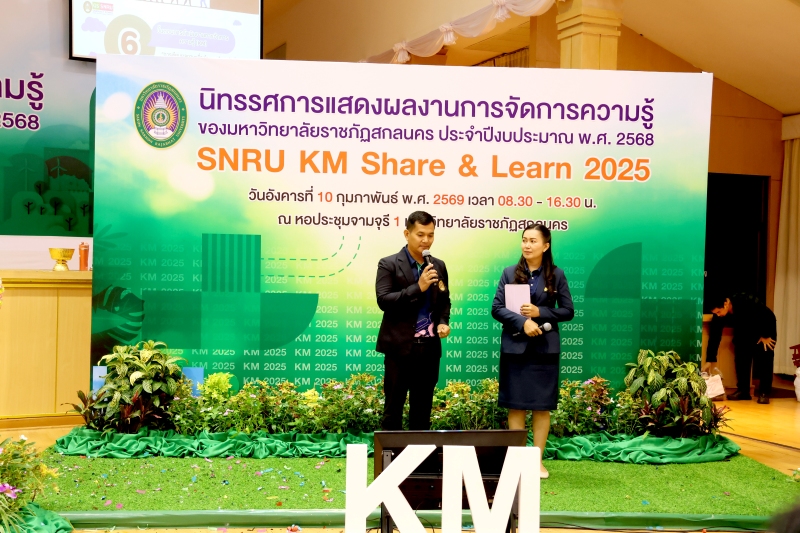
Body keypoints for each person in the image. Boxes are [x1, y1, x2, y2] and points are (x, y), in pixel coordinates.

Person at [491, 223, 574, 479]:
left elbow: (568, 311)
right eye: (524, 240)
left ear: (545, 246)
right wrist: (522, 322)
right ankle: (518, 462)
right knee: (515, 406)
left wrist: (540, 312)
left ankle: (536, 461)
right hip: (515, 348)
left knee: (541, 407)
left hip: (544, 350)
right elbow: (497, 308)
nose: (527, 245)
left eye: (533, 241)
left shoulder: (556, 275)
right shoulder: (509, 272)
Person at [375, 211, 451, 430]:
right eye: (420, 234)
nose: (426, 240)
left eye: (430, 235)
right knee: (393, 409)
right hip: (399, 349)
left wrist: (443, 321)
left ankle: (420, 451)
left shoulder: (438, 265)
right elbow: (384, 300)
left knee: (422, 410)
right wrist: (418, 287)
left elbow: (444, 300)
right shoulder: (389, 263)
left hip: (429, 350)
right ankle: (391, 452)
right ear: (407, 234)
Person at [705, 292, 777, 404]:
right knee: (741, 356)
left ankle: (764, 392)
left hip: (764, 327)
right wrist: (709, 360)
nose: (718, 315)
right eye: (715, 313)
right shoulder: (719, 315)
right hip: (745, 331)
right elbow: (714, 336)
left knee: (764, 356)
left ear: (726, 304)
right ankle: (743, 391)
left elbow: (766, 315)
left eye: (718, 312)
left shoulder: (746, 300)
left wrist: (765, 335)